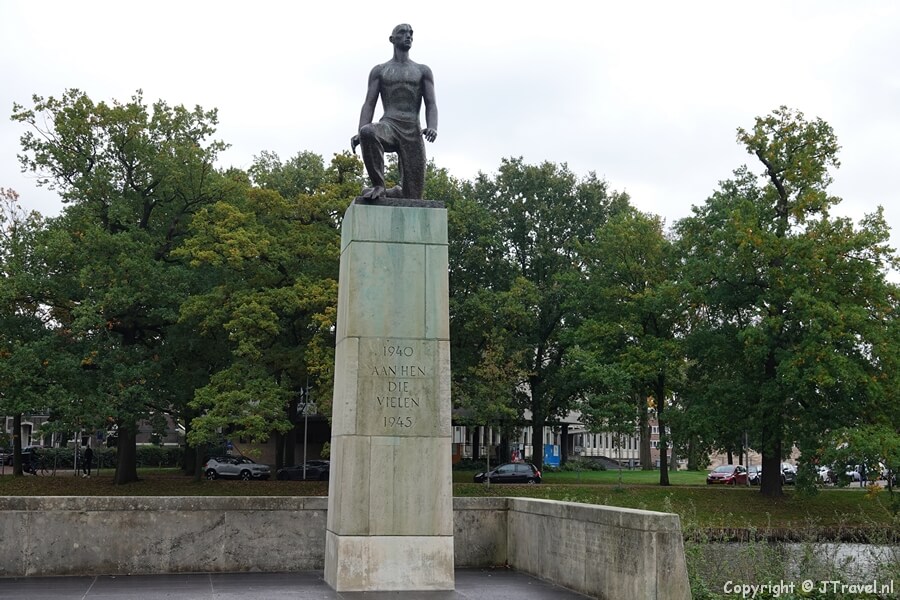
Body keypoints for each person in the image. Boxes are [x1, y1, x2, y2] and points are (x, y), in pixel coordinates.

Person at [351, 23, 438, 200]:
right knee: (368, 131)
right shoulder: (380, 70)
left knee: (413, 197)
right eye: (403, 33)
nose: (408, 36)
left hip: (413, 131)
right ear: (392, 39)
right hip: (389, 125)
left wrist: (432, 127)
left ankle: (396, 192)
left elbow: (431, 103)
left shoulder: (422, 71)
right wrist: (360, 130)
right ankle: (378, 185)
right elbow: (369, 103)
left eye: (411, 33)